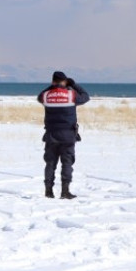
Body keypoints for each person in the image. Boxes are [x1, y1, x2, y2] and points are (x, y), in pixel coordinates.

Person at [37, 71, 90, 199]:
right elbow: (86, 96)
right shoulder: (71, 95)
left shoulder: (46, 95)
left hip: (51, 135)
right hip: (68, 135)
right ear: (65, 81)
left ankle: (48, 191)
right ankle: (65, 191)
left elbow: (39, 96)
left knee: (50, 163)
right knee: (67, 163)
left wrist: (52, 87)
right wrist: (74, 84)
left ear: (53, 81)